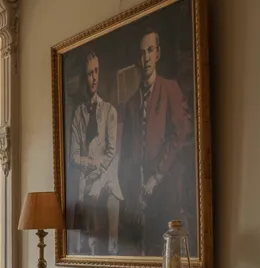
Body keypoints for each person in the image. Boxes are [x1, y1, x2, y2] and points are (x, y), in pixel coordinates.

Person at [119, 29, 192, 255]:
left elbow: (182, 133)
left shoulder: (169, 89)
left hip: (167, 191)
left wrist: (156, 176)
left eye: (150, 51)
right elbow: (127, 155)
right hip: (141, 200)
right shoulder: (131, 104)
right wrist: (133, 195)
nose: (146, 58)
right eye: (141, 53)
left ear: (158, 53)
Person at [69, 52, 122, 255]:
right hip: (87, 177)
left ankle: (113, 250)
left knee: (110, 195)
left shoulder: (110, 111)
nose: (93, 79)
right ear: (84, 78)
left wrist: (98, 174)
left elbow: (111, 152)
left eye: (96, 72)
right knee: (83, 201)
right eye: (89, 74)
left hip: (107, 176)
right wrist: (91, 164)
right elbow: (74, 156)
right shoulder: (78, 114)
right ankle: (89, 254)